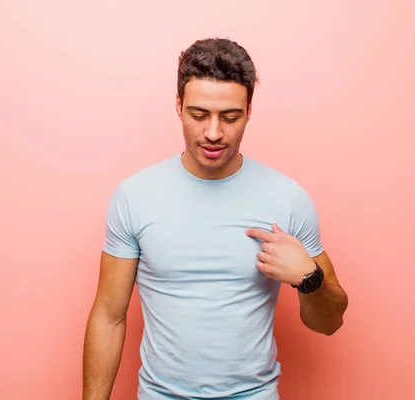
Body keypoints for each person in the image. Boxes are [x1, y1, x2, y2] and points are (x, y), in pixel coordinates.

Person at [82, 37, 349, 400]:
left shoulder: (287, 199)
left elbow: (329, 323)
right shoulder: (135, 196)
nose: (213, 133)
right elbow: (109, 316)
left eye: (230, 117)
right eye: (198, 114)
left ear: (249, 111)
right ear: (178, 106)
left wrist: (309, 278)